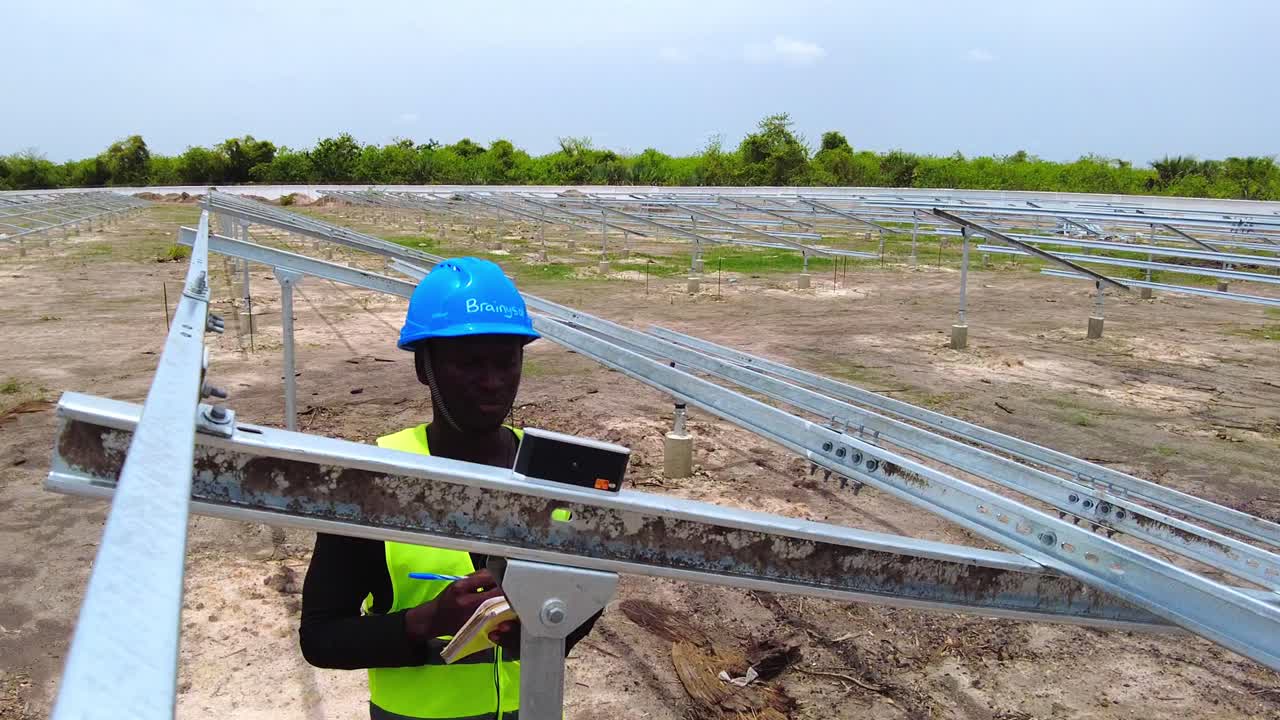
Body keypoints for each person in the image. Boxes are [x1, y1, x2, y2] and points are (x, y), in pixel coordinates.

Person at [300, 257, 600, 720]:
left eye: (506, 361)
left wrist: (548, 632)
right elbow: (320, 637)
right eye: (469, 363)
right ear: (425, 366)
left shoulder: (549, 474)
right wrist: (426, 622)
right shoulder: (375, 481)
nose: (493, 383)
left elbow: (589, 590)